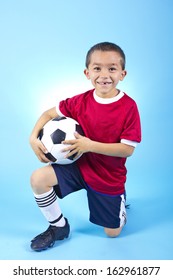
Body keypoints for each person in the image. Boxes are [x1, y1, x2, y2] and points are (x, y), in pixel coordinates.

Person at [29, 42, 141, 251]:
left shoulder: (129, 107)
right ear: (87, 72)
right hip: (78, 166)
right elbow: (48, 115)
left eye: (112, 68)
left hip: (107, 174)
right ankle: (58, 227)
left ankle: (119, 203)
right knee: (38, 178)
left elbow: (128, 149)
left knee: (112, 233)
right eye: (97, 68)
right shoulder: (80, 101)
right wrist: (33, 137)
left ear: (122, 74)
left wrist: (89, 145)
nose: (104, 75)